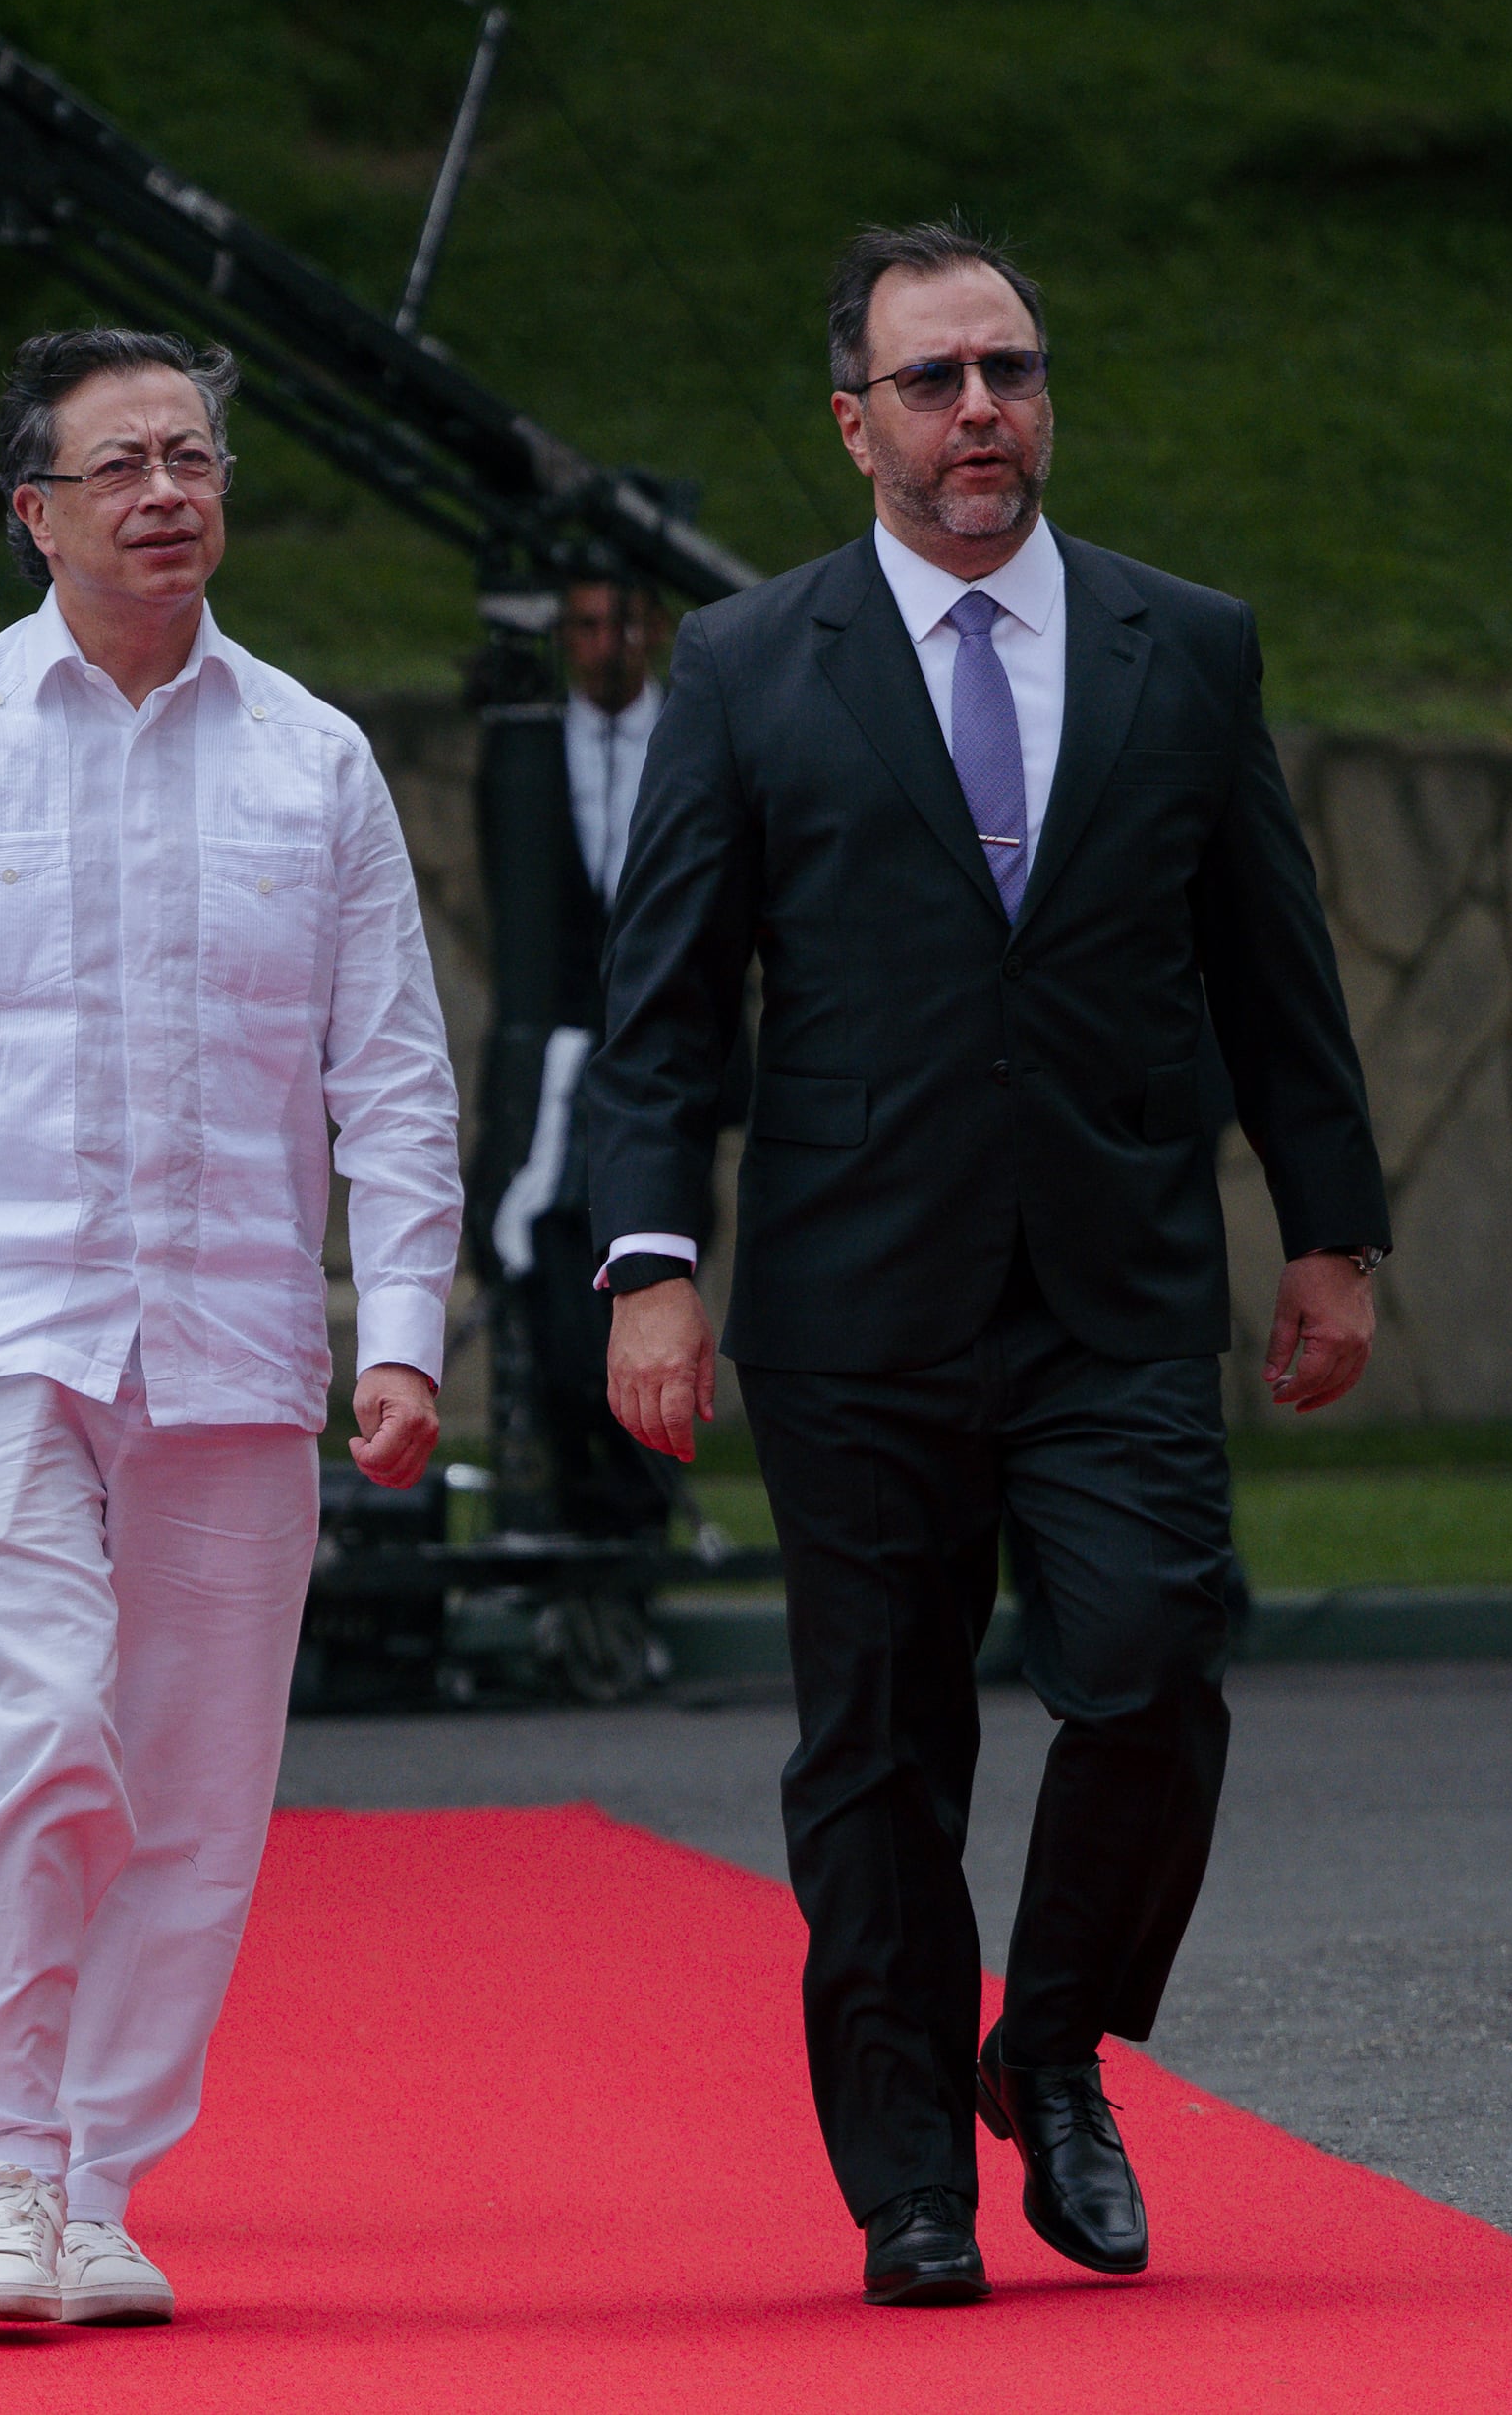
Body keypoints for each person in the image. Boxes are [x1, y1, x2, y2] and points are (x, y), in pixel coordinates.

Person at [588, 219, 1387, 2309]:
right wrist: (649, 1259)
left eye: (1009, 371)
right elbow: (665, 997)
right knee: (875, 1744)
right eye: (933, 379)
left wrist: (1330, 1229)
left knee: (1148, 1669)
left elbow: (1269, 963)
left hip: (1116, 1281)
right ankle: (902, 2183)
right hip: (855, 1302)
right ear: (850, 417)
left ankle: (1046, 2050)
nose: (979, 412)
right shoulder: (749, 662)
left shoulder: (1180, 644)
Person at [0, 325, 461, 2332]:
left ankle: (97, 2175)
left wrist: (399, 1320)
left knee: (194, 1781)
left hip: (236, 1337)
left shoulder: (310, 757)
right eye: (122, 462)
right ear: (33, 512)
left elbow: (391, 1076)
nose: (168, 490)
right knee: (46, 1720)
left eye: (195, 455)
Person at [474, 570, 687, 1543]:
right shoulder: (522, 751)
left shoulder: (694, 732)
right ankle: (585, 1496)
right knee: (535, 1261)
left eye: (621, 622)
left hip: (662, 1049)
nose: (606, 645)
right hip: (556, 1056)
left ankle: (638, 1503)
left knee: (651, 1272)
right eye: (586, 627)